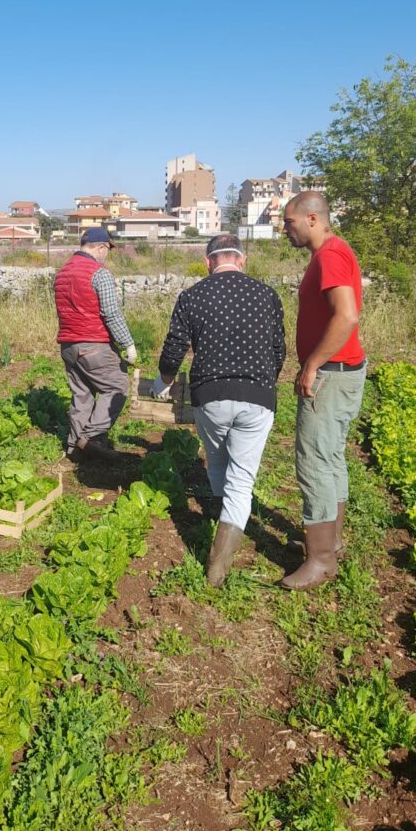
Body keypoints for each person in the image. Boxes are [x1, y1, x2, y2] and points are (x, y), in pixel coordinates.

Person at [151, 234, 286, 587]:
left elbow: (174, 347)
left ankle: (215, 511)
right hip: (257, 395)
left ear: (208, 261)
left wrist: (162, 381)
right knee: (242, 480)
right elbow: (278, 349)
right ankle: (218, 566)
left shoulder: (192, 296)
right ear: (242, 260)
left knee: (216, 457)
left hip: (209, 395)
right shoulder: (266, 295)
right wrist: (264, 380)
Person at [280, 191, 366, 591]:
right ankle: (331, 543)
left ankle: (320, 560)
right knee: (330, 457)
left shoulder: (330, 255)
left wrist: (312, 364)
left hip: (331, 373)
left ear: (312, 218)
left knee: (314, 461)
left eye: (289, 223)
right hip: (344, 370)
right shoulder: (334, 251)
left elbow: (347, 315)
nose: (285, 230)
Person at [54, 227, 137, 460]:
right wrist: (127, 344)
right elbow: (111, 313)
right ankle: (90, 439)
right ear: (101, 247)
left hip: (68, 345)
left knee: (82, 396)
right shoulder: (98, 273)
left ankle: (75, 450)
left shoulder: (62, 273)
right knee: (117, 386)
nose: (106, 255)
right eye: (107, 250)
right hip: (93, 344)